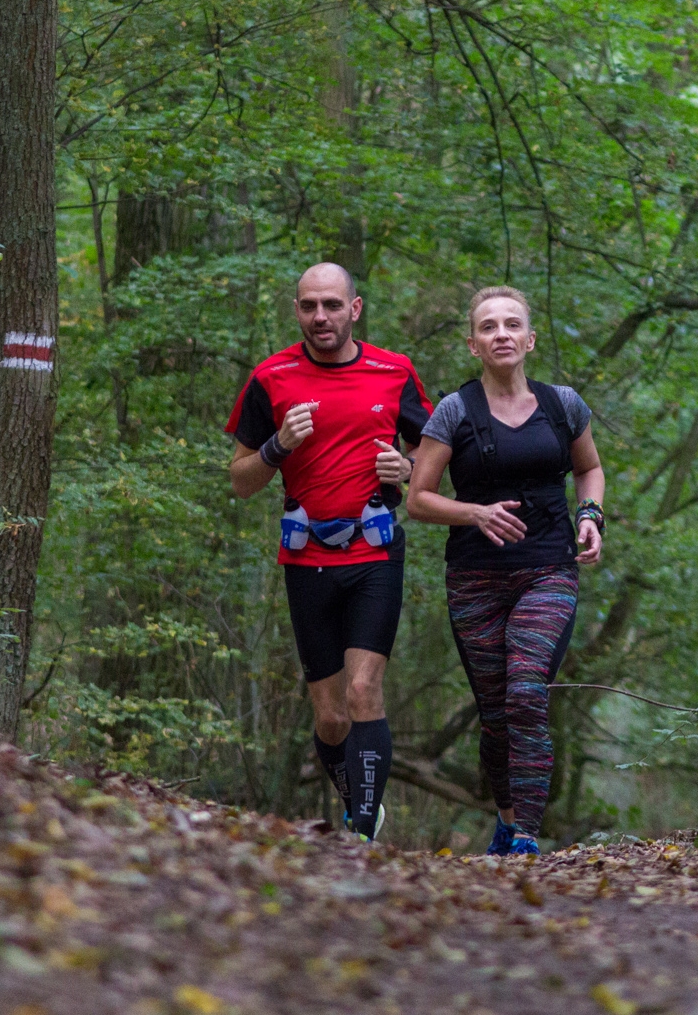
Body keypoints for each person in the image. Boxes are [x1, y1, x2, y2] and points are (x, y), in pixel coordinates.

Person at [226, 262, 432, 840]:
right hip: (305, 557)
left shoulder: (395, 371)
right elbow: (241, 481)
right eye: (310, 306)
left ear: (355, 308)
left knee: (365, 689)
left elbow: (436, 463)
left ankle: (363, 830)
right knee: (332, 716)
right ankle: (359, 801)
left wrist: (409, 469)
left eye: (332, 305)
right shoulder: (271, 378)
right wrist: (277, 444)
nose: (321, 316)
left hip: (374, 553)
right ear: (297, 310)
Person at [406, 285, 605, 856]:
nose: (501, 334)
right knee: (495, 715)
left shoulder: (562, 404)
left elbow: (589, 469)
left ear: (530, 339)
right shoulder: (454, 411)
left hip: (548, 568)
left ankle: (525, 839)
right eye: (489, 327)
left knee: (525, 695)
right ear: (473, 344)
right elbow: (418, 499)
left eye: (512, 325)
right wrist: (474, 512)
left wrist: (591, 516)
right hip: (475, 579)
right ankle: (505, 817)